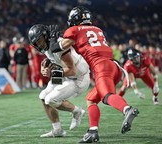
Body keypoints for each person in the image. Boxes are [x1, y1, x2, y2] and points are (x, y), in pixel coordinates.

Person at [48, 6, 139, 143]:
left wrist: (54, 41)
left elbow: (58, 47)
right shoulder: (98, 29)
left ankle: (127, 109)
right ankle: (93, 132)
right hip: (114, 67)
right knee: (91, 98)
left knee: (107, 96)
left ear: (75, 19)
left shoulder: (74, 30)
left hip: (101, 67)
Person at [28, 24, 90, 137]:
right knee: (43, 97)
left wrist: (52, 73)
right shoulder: (48, 46)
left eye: (40, 40)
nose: (39, 45)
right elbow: (53, 58)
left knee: (51, 99)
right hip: (66, 75)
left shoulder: (59, 46)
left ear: (46, 36)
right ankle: (57, 130)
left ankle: (77, 111)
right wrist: (46, 63)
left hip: (79, 78)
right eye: (36, 43)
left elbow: (72, 70)